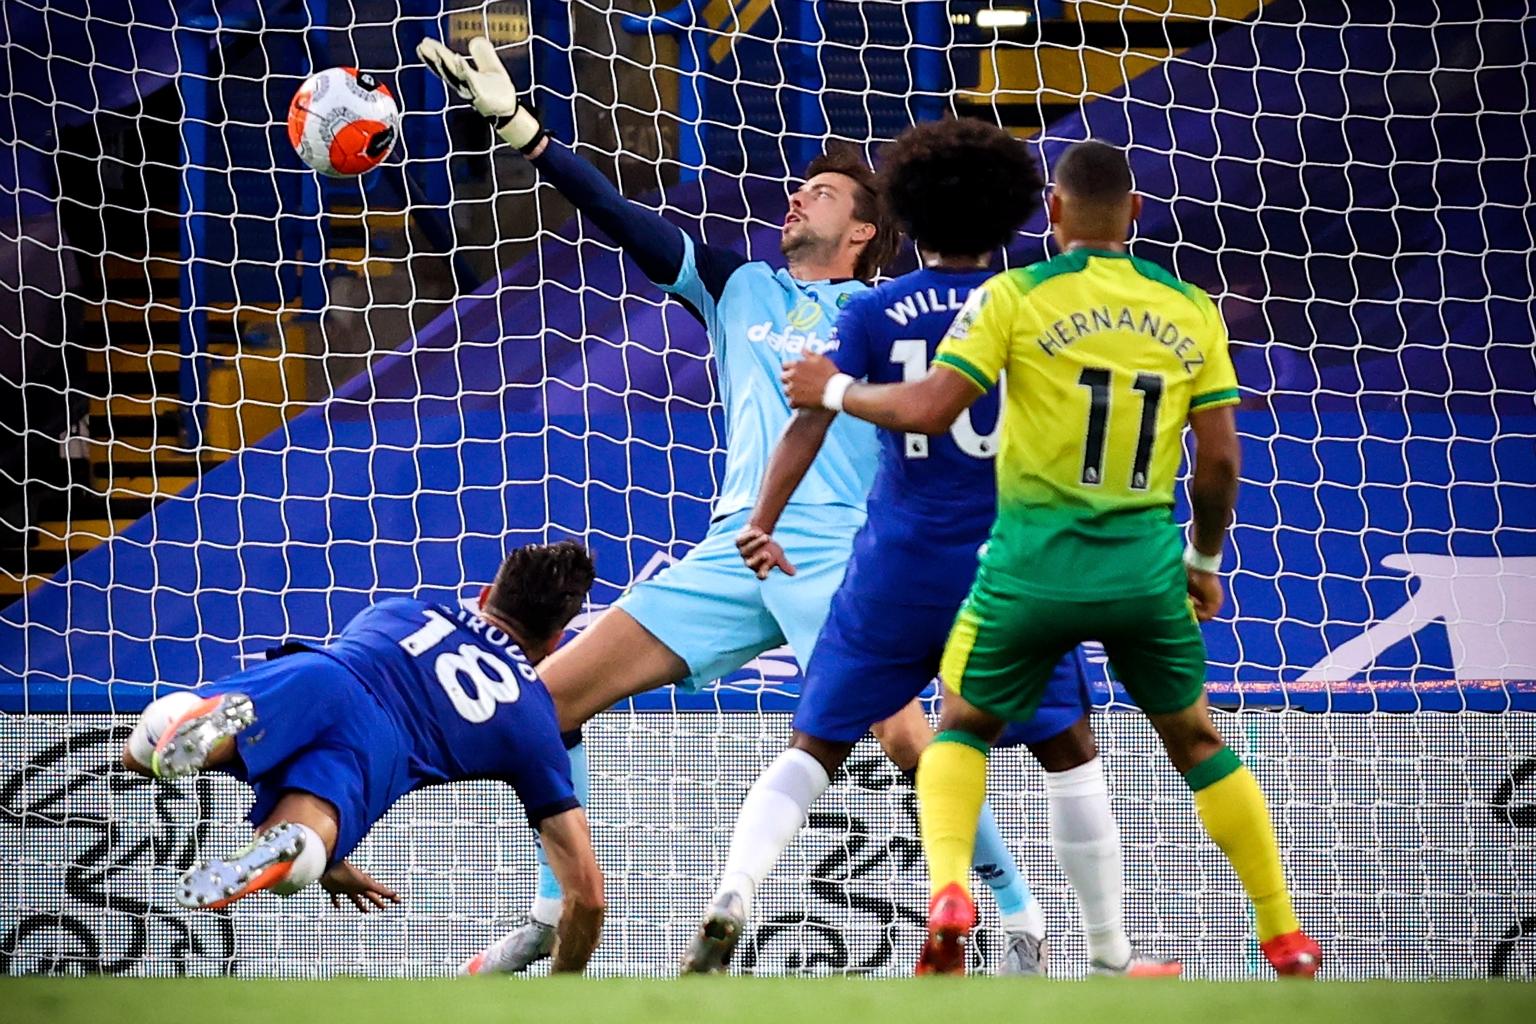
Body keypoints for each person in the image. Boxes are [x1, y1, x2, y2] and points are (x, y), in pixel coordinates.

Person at [417, 36, 1044, 974]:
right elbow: (619, 217)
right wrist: (523, 132)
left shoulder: (892, 310)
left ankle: (1016, 911)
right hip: (732, 550)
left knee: (905, 733)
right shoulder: (737, 285)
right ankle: (555, 907)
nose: (797, 198)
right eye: (799, 189)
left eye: (821, 192)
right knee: (542, 706)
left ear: (867, 230)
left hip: (836, 549)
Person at [783, 140, 1321, 978]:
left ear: (1055, 214)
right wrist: (1204, 557)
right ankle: (1280, 930)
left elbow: (930, 407)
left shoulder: (1016, 296)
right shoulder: (1190, 307)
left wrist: (836, 389)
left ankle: (952, 896)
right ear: (1135, 215)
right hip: (1142, 568)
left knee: (959, 728)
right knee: (1196, 738)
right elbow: (1218, 458)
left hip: (1029, 568)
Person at [683, 119, 1175, 978]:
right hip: (1002, 568)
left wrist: (763, 516)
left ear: (905, 211)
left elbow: (811, 417)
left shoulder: (872, 307)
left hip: (893, 564)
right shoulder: (1029, 305)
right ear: (1021, 213)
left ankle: (735, 889)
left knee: (816, 744)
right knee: (1067, 748)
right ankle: (1104, 955)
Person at [119, 541, 607, 974]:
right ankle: (304, 850)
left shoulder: (400, 609)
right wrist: (562, 985)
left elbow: (342, 701)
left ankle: (177, 720)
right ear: (554, 642)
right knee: (304, 850)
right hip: (379, 743)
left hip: (320, 674)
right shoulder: (533, 717)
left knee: (143, 754)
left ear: (483, 597)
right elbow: (586, 896)